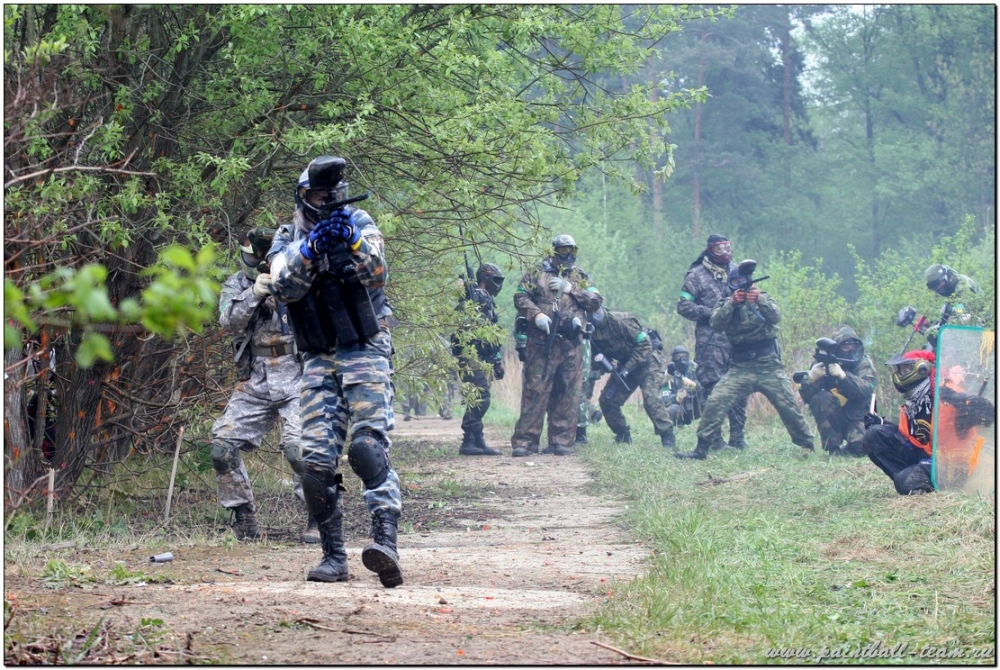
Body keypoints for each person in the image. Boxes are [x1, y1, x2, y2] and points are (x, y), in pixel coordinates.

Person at [266, 156, 403, 587]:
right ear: (304, 197)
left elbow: (378, 273)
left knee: (367, 448)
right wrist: (310, 250)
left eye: (333, 193)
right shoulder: (287, 237)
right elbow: (282, 286)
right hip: (318, 355)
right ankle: (333, 557)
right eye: (320, 194)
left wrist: (352, 242)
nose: (328, 200)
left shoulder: (360, 222)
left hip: (365, 347)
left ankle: (386, 543)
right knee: (315, 462)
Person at [210, 228, 314, 543]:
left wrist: (291, 287)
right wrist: (255, 294)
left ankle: (320, 516)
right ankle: (244, 518)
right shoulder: (238, 285)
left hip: (299, 375)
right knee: (222, 447)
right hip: (255, 379)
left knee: (300, 450)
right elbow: (228, 321)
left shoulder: (302, 281)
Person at [676, 261, 815, 459]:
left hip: (768, 365)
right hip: (740, 367)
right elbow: (716, 324)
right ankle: (701, 448)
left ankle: (807, 445)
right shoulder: (725, 304)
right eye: (735, 282)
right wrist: (732, 303)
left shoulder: (764, 298)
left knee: (788, 405)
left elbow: (776, 316)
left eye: (743, 282)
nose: (740, 286)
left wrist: (758, 300)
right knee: (716, 400)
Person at [511, 234, 603, 457]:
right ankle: (525, 442)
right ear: (554, 251)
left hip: (571, 343)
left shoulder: (580, 277)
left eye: (572, 250)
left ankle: (560, 440)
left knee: (567, 392)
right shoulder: (537, 272)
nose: (568, 255)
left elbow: (596, 301)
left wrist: (571, 289)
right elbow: (520, 297)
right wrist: (537, 315)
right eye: (563, 250)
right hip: (541, 342)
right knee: (535, 390)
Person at [863, 350, 994, 495]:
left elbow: (987, 416)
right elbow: (912, 438)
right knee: (874, 435)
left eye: (905, 369)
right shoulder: (913, 400)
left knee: (906, 480)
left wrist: (971, 404)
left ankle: (917, 482)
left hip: (952, 463)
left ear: (922, 368)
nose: (900, 374)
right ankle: (915, 481)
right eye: (899, 370)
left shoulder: (948, 393)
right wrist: (882, 423)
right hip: (926, 457)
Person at [677, 234, 748, 450]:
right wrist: (714, 313)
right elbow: (683, 306)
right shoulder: (696, 275)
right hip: (710, 342)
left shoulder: (737, 271)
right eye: (719, 248)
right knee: (713, 389)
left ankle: (738, 438)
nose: (725, 252)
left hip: (737, 340)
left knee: (740, 388)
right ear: (709, 249)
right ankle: (715, 440)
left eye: (727, 247)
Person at [589, 306, 675, 447]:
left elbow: (645, 344)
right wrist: (604, 365)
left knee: (651, 398)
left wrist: (627, 369)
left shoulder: (621, 321)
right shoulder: (591, 331)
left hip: (649, 360)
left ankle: (667, 435)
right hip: (625, 364)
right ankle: (622, 434)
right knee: (608, 400)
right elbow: (597, 358)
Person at [796, 325, 877, 457]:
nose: (850, 350)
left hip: (859, 414)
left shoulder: (863, 362)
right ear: (837, 348)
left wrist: (843, 376)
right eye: (846, 347)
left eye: (853, 346)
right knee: (820, 399)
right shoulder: (822, 363)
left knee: (861, 449)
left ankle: (850, 447)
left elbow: (866, 390)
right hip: (835, 415)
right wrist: (811, 378)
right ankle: (833, 448)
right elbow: (807, 397)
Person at [452, 262, 505, 456]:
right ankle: (469, 440)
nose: (498, 284)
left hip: (484, 356)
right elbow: (463, 330)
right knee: (481, 397)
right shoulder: (470, 300)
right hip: (470, 355)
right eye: (495, 280)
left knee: (477, 397)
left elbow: (493, 333)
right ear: (485, 279)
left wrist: (497, 361)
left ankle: (477, 440)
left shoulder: (487, 300)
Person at [923, 264, 984, 348]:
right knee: (931, 334)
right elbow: (949, 314)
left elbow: (965, 317)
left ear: (946, 278)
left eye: (942, 286)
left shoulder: (963, 288)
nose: (940, 290)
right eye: (938, 289)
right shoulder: (953, 290)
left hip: (981, 329)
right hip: (968, 328)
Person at [661, 345, 702, 445]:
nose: (681, 360)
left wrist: (694, 385)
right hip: (679, 407)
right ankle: (679, 423)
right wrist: (677, 397)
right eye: (678, 357)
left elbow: (703, 386)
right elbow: (664, 399)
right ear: (673, 358)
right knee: (671, 409)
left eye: (684, 356)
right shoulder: (669, 375)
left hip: (696, 403)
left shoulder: (693, 368)